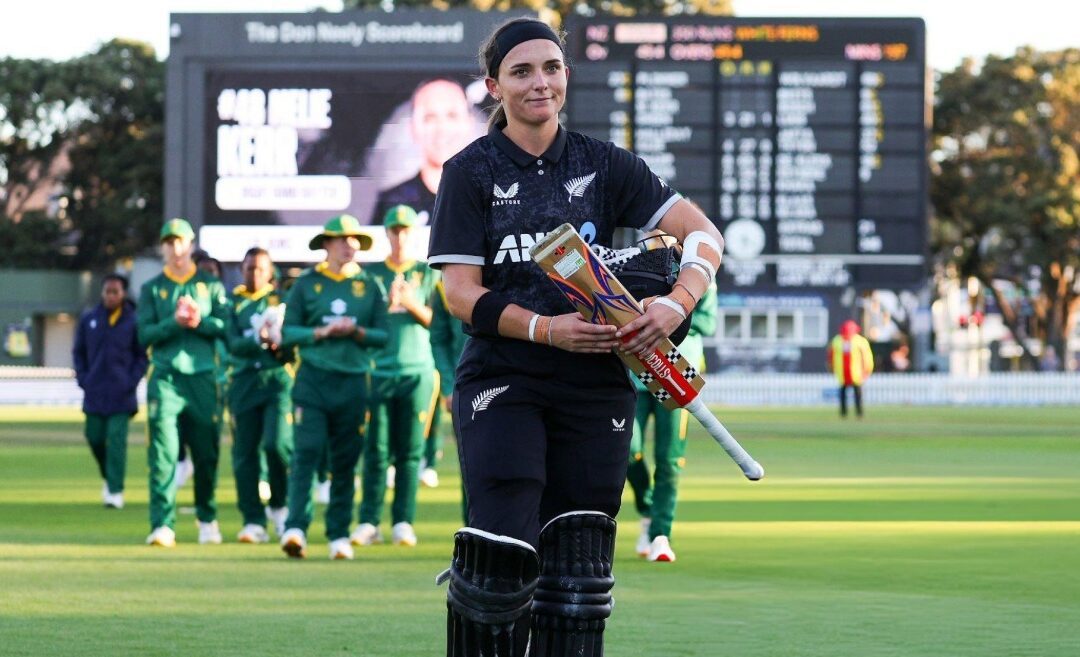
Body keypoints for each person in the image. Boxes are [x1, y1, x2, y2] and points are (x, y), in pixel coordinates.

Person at [427, 17, 725, 657]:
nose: (541, 82)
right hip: (505, 379)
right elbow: (458, 292)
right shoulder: (468, 172)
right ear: (494, 86)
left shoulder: (605, 163)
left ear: (567, 75)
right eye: (522, 71)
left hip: (596, 388)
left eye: (552, 68)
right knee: (501, 561)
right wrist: (544, 329)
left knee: (580, 570)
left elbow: (703, 234)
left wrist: (678, 301)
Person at [278, 214, 388, 560]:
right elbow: (287, 332)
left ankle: (338, 533)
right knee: (306, 453)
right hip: (313, 379)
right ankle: (295, 527)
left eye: (354, 239)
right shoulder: (307, 284)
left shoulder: (370, 285)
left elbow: (383, 335)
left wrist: (355, 332)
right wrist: (320, 333)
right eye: (341, 239)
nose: (349, 245)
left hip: (354, 381)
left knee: (345, 460)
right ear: (326, 244)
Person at [137, 218, 230, 547]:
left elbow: (226, 328)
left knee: (205, 453)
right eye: (169, 242)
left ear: (190, 245)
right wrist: (174, 323)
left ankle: (207, 518)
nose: (176, 249)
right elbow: (144, 334)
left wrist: (198, 321)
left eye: (181, 242)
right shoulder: (151, 289)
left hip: (203, 376)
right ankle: (162, 524)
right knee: (163, 454)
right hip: (165, 377)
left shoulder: (211, 285)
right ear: (162, 247)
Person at [355, 205, 439, 548]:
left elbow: (443, 321)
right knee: (376, 450)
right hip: (379, 370)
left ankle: (403, 520)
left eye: (405, 230)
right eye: (394, 230)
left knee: (409, 451)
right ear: (387, 234)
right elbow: (361, 322)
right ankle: (368, 521)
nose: (400, 236)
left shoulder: (428, 272)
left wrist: (411, 303)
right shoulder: (371, 275)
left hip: (417, 371)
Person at [627, 280, 716, 563]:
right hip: (638, 372)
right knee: (628, 451)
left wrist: (669, 317)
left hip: (678, 376)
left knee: (669, 459)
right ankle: (649, 508)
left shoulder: (701, 274)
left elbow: (707, 322)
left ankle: (660, 534)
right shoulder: (639, 266)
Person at [226, 247, 293, 543]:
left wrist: (279, 341)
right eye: (250, 268)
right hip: (243, 382)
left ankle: (279, 505)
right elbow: (231, 343)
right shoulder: (232, 303)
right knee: (244, 453)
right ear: (242, 269)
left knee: (277, 445)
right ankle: (252, 519)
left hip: (277, 380)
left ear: (270, 272)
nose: (255, 273)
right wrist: (256, 339)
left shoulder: (282, 301)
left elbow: (292, 339)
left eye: (260, 268)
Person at [72, 274, 148, 510]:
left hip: (121, 393)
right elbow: (79, 352)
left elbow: (141, 356)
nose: (110, 296)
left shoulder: (133, 321)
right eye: (107, 291)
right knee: (94, 437)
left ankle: (115, 490)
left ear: (123, 294)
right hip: (94, 391)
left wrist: (131, 380)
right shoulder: (89, 319)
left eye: (115, 291)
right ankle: (108, 476)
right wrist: (84, 378)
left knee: (116, 441)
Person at [372, 78, 476, 225]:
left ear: (469, 123)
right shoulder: (393, 203)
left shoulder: (492, 196)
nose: (441, 129)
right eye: (429, 118)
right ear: (412, 127)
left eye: (452, 116)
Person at [424, 276, 468, 494]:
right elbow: (438, 339)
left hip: (520, 381)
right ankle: (473, 526)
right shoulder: (445, 284)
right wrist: (449, 386)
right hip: (467, 386)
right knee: (472, 466)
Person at [826, 319, 875, 418]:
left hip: (856, 373)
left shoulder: (860, 341)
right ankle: (843, 413)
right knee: (842, 394)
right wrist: (831, 367)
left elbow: (867, 357)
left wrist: (867, 369)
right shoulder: (837, 341)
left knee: (858, 394)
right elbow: (831, 356)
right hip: (842, 372)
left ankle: (859, 413)